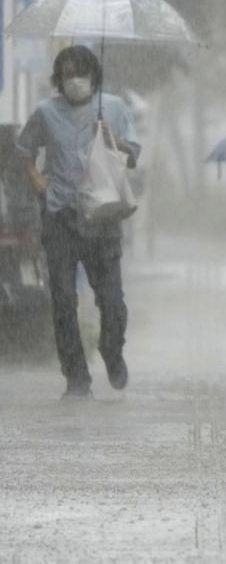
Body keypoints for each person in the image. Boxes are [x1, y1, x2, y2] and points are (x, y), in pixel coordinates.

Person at [16, 45, 141, 399]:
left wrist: (111, 138)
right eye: (68, 74)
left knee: (112, 300)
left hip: (102, 220)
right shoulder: (44, 113)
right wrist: (39, 183)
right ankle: (75, 376)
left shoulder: (113, 108)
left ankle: (112, 351)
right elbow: (24, 152)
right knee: (62, 300)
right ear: (58, 79)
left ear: (94, 76)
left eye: (81, 73)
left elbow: (132, 156)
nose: (75, 81)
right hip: (60, 218)